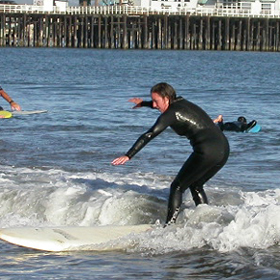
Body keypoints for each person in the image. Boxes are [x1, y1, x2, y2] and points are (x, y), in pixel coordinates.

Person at [112, 83, 230, 227]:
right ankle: (207, 223)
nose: (154, 105)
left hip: (206, 151)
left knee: (177, 187)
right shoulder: (182, 103)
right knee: (196, 185)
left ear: (166, 99)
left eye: (156, 101)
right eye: (152, 101)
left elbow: (149, 134)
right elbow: (162, 106)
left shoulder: (171, 113)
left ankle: (169, 226)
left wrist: (128, 155)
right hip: (223, 149)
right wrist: (144, 104)